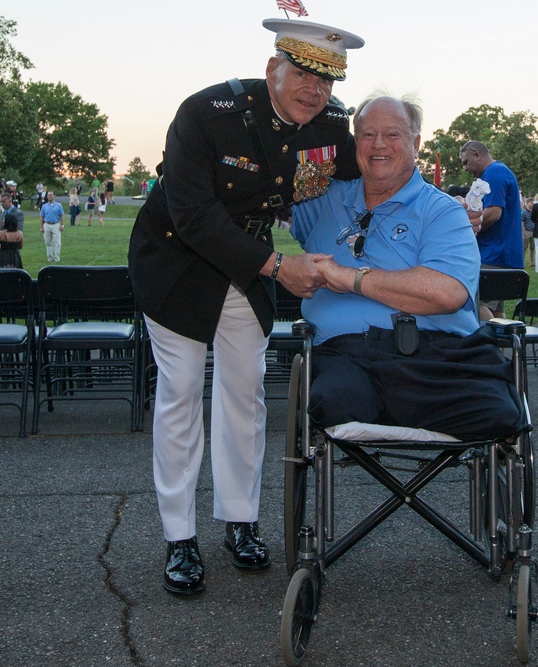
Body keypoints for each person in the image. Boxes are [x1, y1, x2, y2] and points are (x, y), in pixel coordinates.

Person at [126, 17, 364, 597]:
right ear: (271, 69)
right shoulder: (207, 114)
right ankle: (179, 536)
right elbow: (193, 216)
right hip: (178, 261)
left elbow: (371, 180)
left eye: (327, 81)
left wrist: (438, 204)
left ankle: (239, 520)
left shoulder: (332, 127)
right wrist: (279, 267)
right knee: (180, 390)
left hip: (248, 264)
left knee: (245, 391)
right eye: (304, 73)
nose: (315, 90)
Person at [291, 95, 524, 439]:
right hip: (346, 356)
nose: (378, 145)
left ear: (416, 143)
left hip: (438, 356)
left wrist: (351, 278)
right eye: (367, 135)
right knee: (333, 403)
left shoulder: (443, 211)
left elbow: (446, 292)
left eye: (393, 134)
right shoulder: (322, 200)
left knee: (496, 415)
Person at [460, 140, 523, 317]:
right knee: (495, 310)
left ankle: (489, 344)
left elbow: (494, 213)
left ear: (477, 154)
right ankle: (503, 344)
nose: (465, 168)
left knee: (474, 304)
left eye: (466, 162)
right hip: (502, 255)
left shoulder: (493, 173)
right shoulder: (500, 171)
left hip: (493, 255)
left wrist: (466, 229)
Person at [39, 191, 64, 262]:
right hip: (47, 224)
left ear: (54, 196)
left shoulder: (59, 205)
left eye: (51, 195)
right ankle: (50, 257)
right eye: (48, 195)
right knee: (47, 242)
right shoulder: (44, 206)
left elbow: (61, 215)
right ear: (47, 197)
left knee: (56, 242)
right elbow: (41, 216)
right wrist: (41, 227)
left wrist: (62, 225)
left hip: (55, 224)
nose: (50, 196)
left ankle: (57, 257)